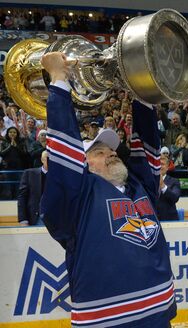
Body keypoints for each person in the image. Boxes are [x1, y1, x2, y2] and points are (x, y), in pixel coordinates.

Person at [40, 52, 176, 327]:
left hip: (159, 314)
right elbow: (64, 151)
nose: (111, 154)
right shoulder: (78, 197)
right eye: (100, 152)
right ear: (82, 163)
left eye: (112, 150)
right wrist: (59, 80)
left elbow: (147, 142)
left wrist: (142, 88)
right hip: (108, 320)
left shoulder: (139, 188)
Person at [17, 150, 47, 226]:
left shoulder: (60, 177)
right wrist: (23, 219)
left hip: (56, 221)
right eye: (47, 158)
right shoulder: (29, 174)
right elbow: (22, 198)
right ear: (42, 160)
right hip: (36, 219)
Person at [157, 155, 181, 221]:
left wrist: (163, 186)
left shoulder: (174, 181)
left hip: (169, 220)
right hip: (153, 221)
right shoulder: (149, 181)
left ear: (167, 167)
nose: (160, 166)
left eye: (162, 164)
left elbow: (175, 197)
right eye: (158, 164)